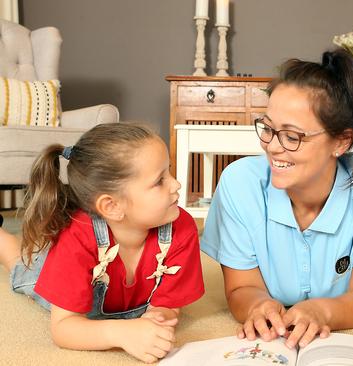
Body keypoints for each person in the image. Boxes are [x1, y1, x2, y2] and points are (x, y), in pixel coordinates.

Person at [201, 49, 353, 349]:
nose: (273, 147)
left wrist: (323, 311)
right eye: (268, 128)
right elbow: (242, 287)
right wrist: (257, 306)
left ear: (341, 141)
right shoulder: (238, 184)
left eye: (292, 136)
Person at [0, 123, 205, 363]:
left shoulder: (181, 227)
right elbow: (63, 328)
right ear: (112, 206)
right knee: (24, 268)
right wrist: (120, 333)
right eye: (160, 181)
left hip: (79, 266)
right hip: (64, 269)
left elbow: (169, 302)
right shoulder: (77, 237)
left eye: (168, 171)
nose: (176, 184)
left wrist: (160, 315)